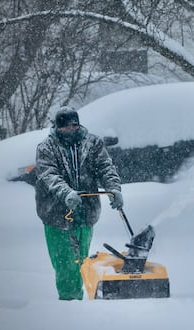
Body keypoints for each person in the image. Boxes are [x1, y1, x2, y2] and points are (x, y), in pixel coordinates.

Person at [35, 106, 123, 300]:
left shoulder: (92, 143)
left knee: (81, 262)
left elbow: (105, 168)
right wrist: (66, 193)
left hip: (85, 214)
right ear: (57, 128)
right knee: (66, 265)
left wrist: (114, 189)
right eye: (65, 128)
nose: (70, 130)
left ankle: (77, 302)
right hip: (56, 215)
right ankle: (69, 305)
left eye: (74, 126)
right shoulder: (46, 148)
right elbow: (49, 175)